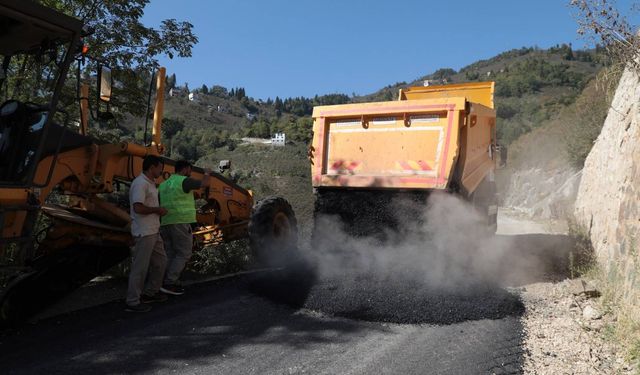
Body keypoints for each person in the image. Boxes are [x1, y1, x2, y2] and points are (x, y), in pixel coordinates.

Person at [158, 160, 211, 295]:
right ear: (186, 169)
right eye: (190, 170)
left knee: (170, 253)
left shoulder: (163, 185)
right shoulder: (184, 181)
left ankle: (164, 282)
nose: (190, 173)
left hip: (165, 223)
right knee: (184, 253)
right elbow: (205, 183)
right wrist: (207, 173)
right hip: (181, 222)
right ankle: (170, 282)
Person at [125, 155, 169, 312]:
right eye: (160, 168)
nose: (161, 171)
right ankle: (133, 301)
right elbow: (138, 208)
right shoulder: (140, 184)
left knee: (161, 262)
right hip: (144, 232)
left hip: (153, 230)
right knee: (140, 268)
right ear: (152, 168)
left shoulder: (150, 183)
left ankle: (150, 293)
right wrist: (158, 210)